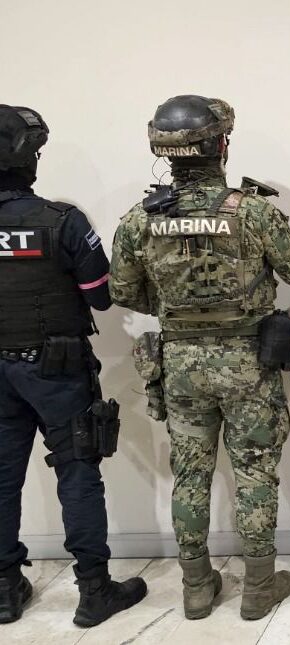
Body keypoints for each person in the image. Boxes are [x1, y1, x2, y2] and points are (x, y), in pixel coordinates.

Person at [109, 95, 290, 621]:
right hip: (248, 363)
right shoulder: (253, 211)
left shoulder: (140, 218)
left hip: (180, 365)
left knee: (190, 475)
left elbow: (123, 292)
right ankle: (259, 588)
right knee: (255, 473)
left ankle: (196, 588)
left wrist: (173, 305)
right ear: (221, 144)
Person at [0, 104, 146, 626]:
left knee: (2, 477)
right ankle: (94, 590)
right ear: (26, 159)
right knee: (78, 472)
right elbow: (101, 295)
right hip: (56, 370)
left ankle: (4, 589)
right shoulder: (62, 221)